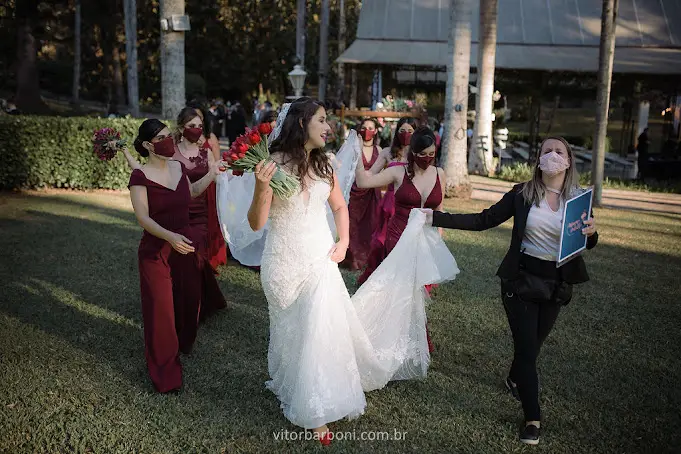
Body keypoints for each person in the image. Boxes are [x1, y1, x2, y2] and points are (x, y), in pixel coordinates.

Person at [247, 98, 458, 445]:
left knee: (318, 324)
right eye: (321, 120)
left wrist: (344, 241)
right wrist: (260, 187)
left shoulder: (324, 164)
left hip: (320, 257)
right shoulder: (271, 165)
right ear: (301, 123)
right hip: (283, 260)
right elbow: (257, 224)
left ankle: (316, 411)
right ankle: (294, 382)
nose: (327, 127)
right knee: (292, 329)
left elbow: (339, 206)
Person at [421, 136, 599, 445]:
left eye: (559, 151)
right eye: (546, 150)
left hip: (556, 285)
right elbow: (484, 219)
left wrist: (592, 233)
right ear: (538, 159)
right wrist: (435, 217)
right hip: (520, 280)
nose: (552, 155)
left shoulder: (578, 200)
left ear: (569, 161)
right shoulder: (522, 194)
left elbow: (586, 240)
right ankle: (532, 418)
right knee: (527, 351)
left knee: (533, 347)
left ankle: (515, 377)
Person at [128, 119, 227, 393]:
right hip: (156, 251)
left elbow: (191, 192)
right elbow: (143, 218)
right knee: (160, 310)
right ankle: (165, 371)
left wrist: (212, 173)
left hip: (185, 247)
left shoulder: (177, 167)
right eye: (160, 138)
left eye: (168, 135)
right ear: (148, 145)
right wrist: (170, 237)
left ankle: (183, 342)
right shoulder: (140, 176)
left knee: (188, 301)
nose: (168, 141)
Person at [354, 126, 445, 352]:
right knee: (400, 287)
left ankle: (413, 335)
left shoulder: (440, 173)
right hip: (399, 237)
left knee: (416, 289)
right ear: (412, 152)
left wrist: (438, 237)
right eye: (422, 154)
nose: (427, 159)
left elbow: (440, 209)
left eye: (431, 154)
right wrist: (356, 154)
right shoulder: (398, 172)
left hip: (426, 239)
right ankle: (383, 334)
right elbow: (364, 182)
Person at [358, 117, 418, 285]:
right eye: (402, 131)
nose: (406, 134)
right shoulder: (387, 152)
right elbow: (371, 173)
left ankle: (402, 279)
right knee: (381, 242)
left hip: (409, 203)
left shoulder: (418, 154)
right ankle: (381, 278)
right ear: (397, 132)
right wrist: (357, 166)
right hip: (389, 203)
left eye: (410, 131)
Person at [173, 106, 228, 271]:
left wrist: (233, 173)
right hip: (178, 212)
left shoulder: (206, 152)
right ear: (181, 128)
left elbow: (217, 177)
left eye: (199, 126)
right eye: (191, 126)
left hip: (200, 213)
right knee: (180, 260)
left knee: (198, 257)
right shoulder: (171, 154)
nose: (196, 130)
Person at [340, 118, 382, 271]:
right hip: (355, 192)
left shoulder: (379, 150)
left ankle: (369, 258)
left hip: (373, 192)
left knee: (372, 224)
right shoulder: (353, 148)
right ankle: (353, 259)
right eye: (364, 127)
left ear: (375, 131)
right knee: (353, 225)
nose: (367, 131)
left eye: (371, 128)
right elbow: (345, 168)